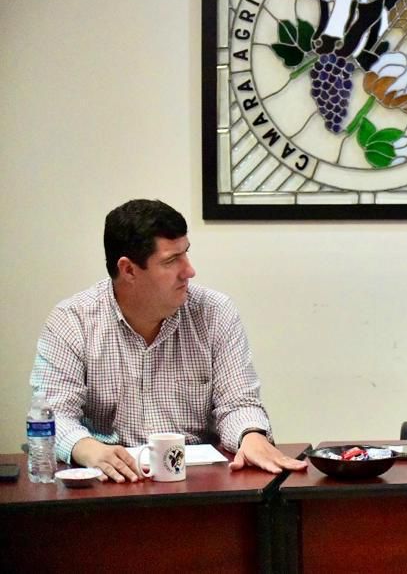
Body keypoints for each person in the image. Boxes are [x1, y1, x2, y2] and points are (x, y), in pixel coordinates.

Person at [29, 199, 307, 481]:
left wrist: (250, 435)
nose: (189, 271)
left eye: (186, 253)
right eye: (171, 261)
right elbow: (53, 414)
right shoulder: (72, 320)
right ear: (129, 270)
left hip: (197, 483)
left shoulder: (214, 312)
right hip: (110, 481)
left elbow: (238, 403)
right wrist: (86, 448)